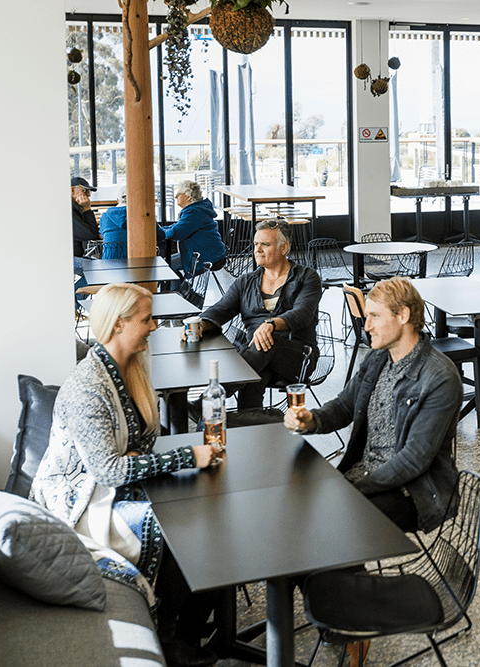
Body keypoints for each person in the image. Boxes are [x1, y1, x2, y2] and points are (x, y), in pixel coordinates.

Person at [30, 283, 220, 667]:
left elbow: (138, 448)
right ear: (118, 325)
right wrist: (186, 456)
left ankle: (186, 622)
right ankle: (168, 634)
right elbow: (110, 469)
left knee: (209, 512)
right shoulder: (88, 386)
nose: (153, 327)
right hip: (78, 502)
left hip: (107, 486)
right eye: (146, 320)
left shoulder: (129, 368)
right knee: (178, 522)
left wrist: (132, 460)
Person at [284, 277, 462, 534]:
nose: (366, 326)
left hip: (411, 493)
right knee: (296, 514)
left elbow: (413, 460)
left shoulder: (439, 378)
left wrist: (352, 491)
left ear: (402, 315)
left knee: (322, 526)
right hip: (366, 476)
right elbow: (345, 406)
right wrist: (311, 420)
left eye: (375, 316)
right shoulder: (379, 358)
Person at [194, 219, 322, 409]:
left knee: (266, 343)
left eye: (265, 244)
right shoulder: (245, 282)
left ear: (284, 248)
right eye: (255, 244)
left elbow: (302, 313)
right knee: (256, 375)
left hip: (298, 358)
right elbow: (222, 309)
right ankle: (251, 428)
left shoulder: (307, 277)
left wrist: (271, 325)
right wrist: (201, 323)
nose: (257, 250)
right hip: (256, 356)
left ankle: (212, 397)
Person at [160, 180, 227, 277]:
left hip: (205, 256)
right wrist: (161, 229)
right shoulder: (196, 209)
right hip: (206, 252)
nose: (175, 197)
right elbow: (178, 226)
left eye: (178, 194)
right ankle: (180, 289)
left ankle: (181, 291)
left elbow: (177, 232)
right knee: (166, 264)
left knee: (165, 266)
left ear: (188, 196)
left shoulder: (194, 212)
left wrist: (160, 233)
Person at [98, 189, 164, 260]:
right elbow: (160, 235)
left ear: (117, 200)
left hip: (109, 262)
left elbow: (103, 236)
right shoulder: (144, 215)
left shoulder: (104, 217)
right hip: (139, 261)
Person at [71, 176, 100, 258]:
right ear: (72, 190)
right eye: (84, 190)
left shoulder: (75, 209)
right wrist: (87, 209)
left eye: (89, 192)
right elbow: (91, 234)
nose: (88, 195)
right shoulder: (69, 211)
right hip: (71, 260)